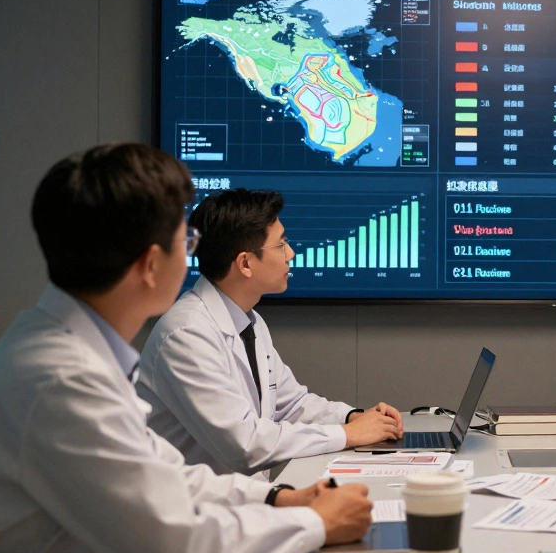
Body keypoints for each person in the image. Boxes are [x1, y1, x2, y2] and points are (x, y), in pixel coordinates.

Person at [0, 145, 373, 553]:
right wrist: (317, 524)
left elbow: (167, 475)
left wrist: (279, 499)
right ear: (150, 264)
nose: (193, 257)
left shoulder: (65, 346)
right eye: (186, 242)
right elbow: (176, 551)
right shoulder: (62, 378)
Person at [138, 189, 403, 478]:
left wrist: (353, 417)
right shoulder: (186, 335)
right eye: (281, 245)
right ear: (245, 264)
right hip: (197, 513)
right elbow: (245, 446)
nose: (291, 254)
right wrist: (348, 434)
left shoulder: (249, 321)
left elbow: (291, 404)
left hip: (241, 504)